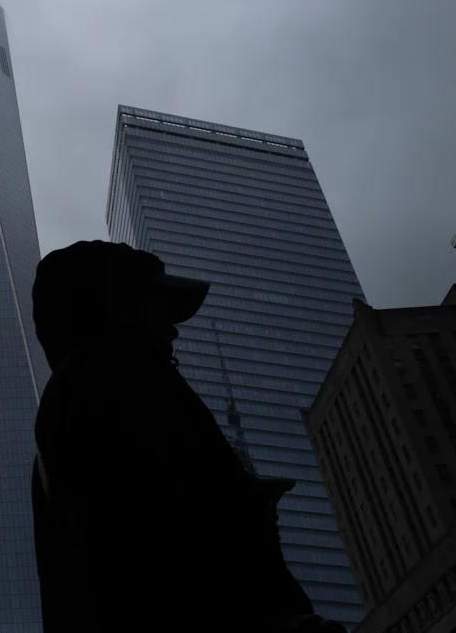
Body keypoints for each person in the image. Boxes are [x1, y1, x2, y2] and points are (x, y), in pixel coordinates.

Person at [28, 240, 345, 633]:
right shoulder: (119, 377)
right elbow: (173, 540)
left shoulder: (75, 400)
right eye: (157, 309)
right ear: (114, 309)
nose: (173, 329)